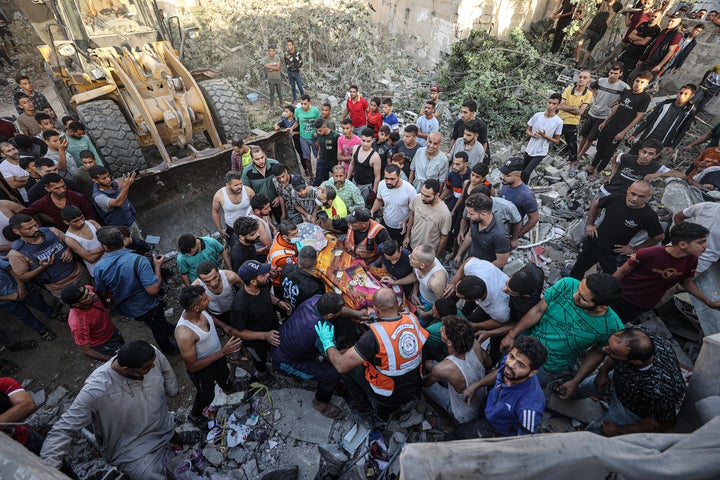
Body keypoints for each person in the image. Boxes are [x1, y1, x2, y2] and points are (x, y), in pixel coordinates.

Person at [40, 341, 180, 480]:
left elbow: (166, 370)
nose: (153, 366)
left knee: (171, 432)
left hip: (162, 421)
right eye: (147, 367)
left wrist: (172, 389)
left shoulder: (150, 355)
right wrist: (46, 472)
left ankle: (174, 437)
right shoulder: (97, 389)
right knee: (150, 476)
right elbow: (63, 428)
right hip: (131, 446)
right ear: (126, 369)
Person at [315, 287, 428, 425]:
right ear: (397, 304)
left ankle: (364, 411)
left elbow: (341, 365)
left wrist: (327, 343)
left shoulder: (373, 338)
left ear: (375, 308)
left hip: (388, 393)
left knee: (350, 368)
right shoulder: (412, 318)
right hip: (415, 383)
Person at [500, 273, 624, 389]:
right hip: (523, 344)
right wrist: (512, 335)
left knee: (521, 389)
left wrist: (576, 381)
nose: (574, 295)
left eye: (582, 298)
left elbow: (597, 353)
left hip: (546, 366)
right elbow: (538, 310)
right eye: (578, 289)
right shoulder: (567, 284)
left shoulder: (612, 327)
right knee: (501, 374)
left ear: (601, 307)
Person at [571, 327, 685, 436]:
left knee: (598, 433)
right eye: (609, 346)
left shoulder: (660, 389)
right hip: (617, 379)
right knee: (582, 386)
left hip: (629, 409)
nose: (605, 349)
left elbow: (664, 423)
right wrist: (603, 371)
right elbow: (615, 350)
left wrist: (618, 431)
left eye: (613, 352)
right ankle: (569, 394)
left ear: (636, 362)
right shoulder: (641, 336)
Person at [610, 222, 720, 323]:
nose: (706, 246)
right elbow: (623, 271)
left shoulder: (692, 260)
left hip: (643, 305)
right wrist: (605, 291)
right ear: (682, 244)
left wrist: (708, 302)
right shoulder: (648, 253)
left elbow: (686, 281)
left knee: (615, 326)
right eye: (701, 242)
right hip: (622, 297)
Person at [94, 226, 177, 355]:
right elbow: (154, 289)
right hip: (148, 305)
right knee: (158, 329)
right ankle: (169, 349)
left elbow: (102, 292)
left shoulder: (99, 267)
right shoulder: (138, 261)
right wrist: (157, 267)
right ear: (122, 239)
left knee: (156, 322)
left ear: (104, 246)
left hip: (129, 308)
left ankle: (169, 328)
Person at [454, 336, 547, 439]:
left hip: (498, 431)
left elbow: (523, 441)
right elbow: (499, 372)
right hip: (489, 408)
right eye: (512, 356)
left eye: (520, 365)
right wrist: (476, 385)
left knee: (458, 433)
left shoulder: (530, 404)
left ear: (532, 372)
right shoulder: (509, 366)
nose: (511, 365)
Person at [272, 293, 347, 419]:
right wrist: (357, 348)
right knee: (332, 374)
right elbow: (335, 359)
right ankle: (320, 403)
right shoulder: (320, 331)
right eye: (340, 311)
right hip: (284, 361)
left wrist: (358, 314)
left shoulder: (315, 299)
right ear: (330, 316)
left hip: (284, 342)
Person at [175, 285, 242, 426]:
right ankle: (194, 416)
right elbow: (192, 366)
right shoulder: (184, 333)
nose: (209, 298)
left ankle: (228, 388)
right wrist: (223, 352)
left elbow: (209, 316)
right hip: (202, 370)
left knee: (224, 374)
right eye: (205, 299)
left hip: (218, 357)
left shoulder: (199, 311)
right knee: (206, 395)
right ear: (196, 308)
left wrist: (224, 326)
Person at [570, 180, 663, 279]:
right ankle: (571, 290)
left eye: (641, 197)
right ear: (628, 190)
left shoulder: (648, 215)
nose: (635, 199)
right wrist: (590, 224)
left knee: (611, 280)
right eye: (633, 194)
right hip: (595, 241)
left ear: (648, 197)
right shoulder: (616, 198)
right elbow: (597, 203)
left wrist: (635, 249)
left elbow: (659, 236)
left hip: (614, 252)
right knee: (577, 270)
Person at [230, 260, 290, 379]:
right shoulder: (239, 306)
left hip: (271, 330)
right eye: (263, 275)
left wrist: (278, 302)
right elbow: (236, 331)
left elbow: (267, 295)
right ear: (253, 281)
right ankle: (263, 374)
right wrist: (264, 336)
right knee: (259, 359)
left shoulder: (262, 285)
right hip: (256, 342)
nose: (267, 275)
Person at [422, 316, 487, 424]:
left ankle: (447, 421)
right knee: (429, 364)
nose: (440, 329)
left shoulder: (444, 368)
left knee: (424, 386)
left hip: (463, 413)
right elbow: (488, 362)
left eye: (443, 330)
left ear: (449, 343)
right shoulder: (475, 344)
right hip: (480, 396)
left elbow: (426, 382)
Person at [8, 214, 89, 300]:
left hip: (80, 274)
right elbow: (22, 276)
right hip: (60, 287)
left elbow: (69, 240)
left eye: (35, 225)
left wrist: (69, 249)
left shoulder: (51, 231)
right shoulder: (16, 254)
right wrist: (42, 267)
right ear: (17, 231)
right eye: (29, 228)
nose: (36, 229)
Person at [587, 72, 652, 176]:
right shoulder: (627, 92)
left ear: (646, 84)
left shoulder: (645, 98)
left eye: (642, 82)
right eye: (637, 81)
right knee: (600, 147)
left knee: (608, 152)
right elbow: (617, 107)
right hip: (610, 124)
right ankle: (592, 166)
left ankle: (597, 172)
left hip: (620, 129)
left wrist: (623, 132)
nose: (638, 84)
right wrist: (605, 121)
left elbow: (639, 117)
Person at [577, 64, 629, 162]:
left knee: (591, 138)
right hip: (593, 111)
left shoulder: (623, 86)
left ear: (620, 74)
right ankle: (577, 153)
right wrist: (595, 94)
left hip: (604, 115)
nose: (612, 75)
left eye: (615, 73)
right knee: (584, 135)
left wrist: (617, 103)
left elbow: (627, 97)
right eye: (611, 72)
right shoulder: (601, 81)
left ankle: (579, 156)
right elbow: (590, 86)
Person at [0, 254, 58, 342]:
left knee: (37, 302)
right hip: (6, 301)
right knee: (24, 315)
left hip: (19, 286)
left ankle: (51, 313)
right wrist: (9, 297)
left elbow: (10, 268)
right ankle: (41, 329)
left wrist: (21, 286)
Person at [627, 84, 697, 156]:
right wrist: (635, 134)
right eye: (681, 93)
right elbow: (649, 119)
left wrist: (672, 146)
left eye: (686, 94)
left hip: (662, 144)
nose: (681, 96)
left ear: (691, 96)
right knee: (632, 156)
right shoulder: (665, 104)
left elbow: (683, 130)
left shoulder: (689, 111)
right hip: (647, 137)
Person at [599, 139, 684, 197]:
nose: (645, 156)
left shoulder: (654, 167)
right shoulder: (628, 158)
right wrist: (613, 172)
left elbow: (681, 175)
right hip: (607, 190)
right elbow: (616, 156)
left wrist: (659, 174)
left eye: (650, 154)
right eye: (644, 152)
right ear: (640, 151)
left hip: (623, 197)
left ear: (656, 156)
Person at [61, 284, 124, 361]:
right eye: (86, 297)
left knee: (124, 347)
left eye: (88, 291)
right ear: (76, 304)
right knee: (123, 358)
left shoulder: (89, 289)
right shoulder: (78, 324)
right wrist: (110, 361)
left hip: (112, 330)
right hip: (104, 343)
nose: (92, 294)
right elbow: (87, 350)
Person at [446, 257, 510, 331]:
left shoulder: (499, 310)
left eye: (461, 296)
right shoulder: (475, 267)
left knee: (474, 319)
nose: (455, 294)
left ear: (476, 299)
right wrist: (453, 283)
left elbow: (499, 322)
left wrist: (475, 325)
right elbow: (468, 261)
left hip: (494, 302)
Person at [21, 173, 94, 231]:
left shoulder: (78, 197)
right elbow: (25, 213)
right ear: (48, 189)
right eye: (57, 188)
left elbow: (90, 216)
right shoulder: (43, 203)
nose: (62, 190)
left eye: (63, 186)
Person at [455, 193, 510, 269]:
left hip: (485, 272)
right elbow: (470, 235)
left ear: (483, 215)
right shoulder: (475, 220)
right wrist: (459, 254)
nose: (468, 216)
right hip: (471, 262)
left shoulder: (500, 235)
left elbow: (501, 262)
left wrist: (479, 269)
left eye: (471, 214)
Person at [627, 14, 683, 82]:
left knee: (644, 81)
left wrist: (659, 65)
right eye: (669, 20)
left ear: (678, 23)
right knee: (632, 77)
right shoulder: (664, 31)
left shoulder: (677, 34)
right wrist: (642, 59)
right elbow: (652, 45)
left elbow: (671, 52)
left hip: (655, 64)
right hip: (647, 60)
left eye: (673, 21)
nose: (670, 23)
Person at [520, 93, 563, 183]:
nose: (551, 106)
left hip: (541, 150)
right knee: (522, 169)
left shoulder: (558, 122)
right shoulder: (538, 115)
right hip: (530, 148)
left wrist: (545, 136)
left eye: (554, 104)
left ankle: (523, 189)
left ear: (558, 105)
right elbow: (528, 130)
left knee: (527, 172)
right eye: (549, 102)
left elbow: (556, 141)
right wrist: (533, 135)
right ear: (546, 103)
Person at [371, 164, 417, 244]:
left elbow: (413, 211)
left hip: (400, 228)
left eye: (392, 179)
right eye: (386, 178)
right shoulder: (382, 184)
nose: (389, 182)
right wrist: (372, 211)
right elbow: (379, 200)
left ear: (399, 176)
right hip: (385, 222)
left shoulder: (410, 190)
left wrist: (406, 222)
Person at [556, 71, 593, 171]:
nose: (581, 79)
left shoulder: (588, 94)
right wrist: (575, 108)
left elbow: (580, 112)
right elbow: (559, 105)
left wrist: (567, 108)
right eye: (580, 77)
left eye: (585, 77)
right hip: (559, 120)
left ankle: (572, 164)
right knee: (549, 139)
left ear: (588, 80)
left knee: (572, 144)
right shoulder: (568, 89)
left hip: (572, 123)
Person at [404, 179, 451, 255]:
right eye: (422, 193)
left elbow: (444, 237)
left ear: (437, 195)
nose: (423, 198)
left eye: (427, 196)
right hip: (412, 244)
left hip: (427, 252)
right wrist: (407, 236)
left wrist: (437, 256)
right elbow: (411, 216)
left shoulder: (445, 214)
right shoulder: (417, 198)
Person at [500, 157, 540, 245]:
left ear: (518, 175)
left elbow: (534, 218)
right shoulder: (505, 185)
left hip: (507, 233)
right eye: (503, 173)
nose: (502, 177)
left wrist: (516, 236)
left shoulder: (526, 195)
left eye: (507, 175)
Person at [193, 261, 244, 327]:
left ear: (218, 271)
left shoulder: (231, 277)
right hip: (215, 314)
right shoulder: (197, 286)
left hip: (234, 309)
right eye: (207, 282)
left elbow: (245, 291)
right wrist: (222, 325)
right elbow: (200, 309)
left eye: (215, 278)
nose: (213, 284)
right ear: (201, 279)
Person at [90, 166, 139, 234]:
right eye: (104, 178)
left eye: (108, 176)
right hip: (121, 228)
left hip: (130, 219)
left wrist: (126, 181)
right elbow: (118, 203)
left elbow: (120, 187)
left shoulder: (111, 184)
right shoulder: (98, 197)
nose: (108, 179)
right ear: (95, 180)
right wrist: (126, 186)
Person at [674, 202, 720, 274]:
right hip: (679, 249)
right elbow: (678, 217)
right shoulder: (706, 207)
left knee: (676, 280)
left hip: (702, 260)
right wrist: (684, 236)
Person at [574, 0, 622, 68]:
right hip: (590, 29)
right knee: (579, 43)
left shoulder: (613, 12)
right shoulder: (602, 5)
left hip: (599, 33)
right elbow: (598, 1)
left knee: (589, 50)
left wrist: (611, 14)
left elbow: (608, 22)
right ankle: (577, 60)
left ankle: (581, 66)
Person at [615, 12, 662, 80]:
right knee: (617, 67)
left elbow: (644, 42)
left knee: (626, 74)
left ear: (659, 18)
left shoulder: (656, 29)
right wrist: (641, 39)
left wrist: (634, 40)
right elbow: (630, 35)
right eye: (652, 16)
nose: (653, 18)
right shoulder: (643, 24)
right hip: (628, 50)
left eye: (655, 17)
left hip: (637, 55)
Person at [61, 206, 105, 277]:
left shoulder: (92, 223)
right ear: (66, 222)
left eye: (82, 217)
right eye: (76, 221)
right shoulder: (70, 239)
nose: (81, 222)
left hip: (113, 261)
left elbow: (109, 238)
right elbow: (90, 259)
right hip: (99, 270)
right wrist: (106, 247)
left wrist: (93, 252)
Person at [211, 170, 254, 241]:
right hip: (232, 228)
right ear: (227, 185)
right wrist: (220, 230)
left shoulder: (248, 191)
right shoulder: (219, 195)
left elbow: (257, 207)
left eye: (241, 183)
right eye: (236, 185)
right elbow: (215, 211)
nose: (240, 187)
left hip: (250, 226)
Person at [242, 147, 280, 220]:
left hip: (277, 202)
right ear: (252, 159)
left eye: (262, 157)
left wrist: (279, 197)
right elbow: (247, 193)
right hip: (262, 208)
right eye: (257, 159)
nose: (261, 161)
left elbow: (282, 181)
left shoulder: (274, 164)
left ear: (265, 155)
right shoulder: (247, 172)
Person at [408, 244, 448, 312]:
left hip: (430, 303)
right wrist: (415, 293)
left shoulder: (436, 282)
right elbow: (416, 278)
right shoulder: (421, 260)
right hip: (421, 294)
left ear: (422, 265)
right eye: (411, 254)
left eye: (413, 258)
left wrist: (427, 311)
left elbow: (441, 304)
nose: (409, 257)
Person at [347, 128, 382, 202]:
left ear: (372, 140)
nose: (365, 144)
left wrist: (374, 191)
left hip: (366, 186)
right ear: (360, 138)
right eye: (363, 140)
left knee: (362, 207)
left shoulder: (375, 157)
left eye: (368, 141)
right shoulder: (355, 148)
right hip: (354, 181)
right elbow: (352, 164)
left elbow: (377, 176)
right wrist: (347, 180)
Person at [295, 94, 321, 178]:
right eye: (301, 103)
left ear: (309, 102)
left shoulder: (315, 111)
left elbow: (319, 124)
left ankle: (319, 174)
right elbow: (297, 122)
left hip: (314, 137)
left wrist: (317, 139)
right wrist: (291, 128)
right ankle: (311, 175)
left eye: (305, 104)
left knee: (318, 157)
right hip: (303, 138)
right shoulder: (297, 111)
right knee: (307, 158)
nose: (303, 106)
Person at [268, 219, 299, 287]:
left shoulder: (280, 235)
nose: (298, 235)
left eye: (297, 232)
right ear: (285, 237)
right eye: (294, 234)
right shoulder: (282, 256)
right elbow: (297, 265)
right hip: (280, 281)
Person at [313, 118, 341, 186]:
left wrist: (339, 163)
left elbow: (340, 150)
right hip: (322, 161)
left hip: (333, 162)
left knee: (338, 181)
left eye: (320, 130)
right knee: (318, 181)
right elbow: (320, 144)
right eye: (317, 131)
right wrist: (318, 155)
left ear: (325, 127)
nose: (318, 132)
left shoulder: (335, 136)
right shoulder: (319, 134)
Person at [249, 193, 275, 259]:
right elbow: (268, 245)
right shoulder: (257, 223)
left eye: (269, 206)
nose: (270, 209)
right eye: (266, 208)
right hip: (264, 253)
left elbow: (268, 221)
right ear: (257, 211)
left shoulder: (262, 213)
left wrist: (274, 229)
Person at [264, 44, 283, 109]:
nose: (271, 52)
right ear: (268, 51)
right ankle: (271, 105)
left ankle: (282, 104)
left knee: (279, 92)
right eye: (270, 51)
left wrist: (271, 67)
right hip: (271, 79)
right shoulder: (266, 59)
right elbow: (268, 68)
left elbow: (278, 68)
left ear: (274, 51)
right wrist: (274, 67)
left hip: (278, 78)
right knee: (272, 93)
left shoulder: (277, 57)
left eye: (273, 51)